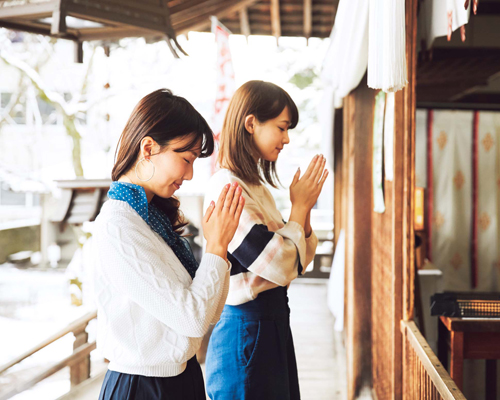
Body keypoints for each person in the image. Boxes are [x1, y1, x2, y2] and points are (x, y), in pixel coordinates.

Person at [93, 89, 244, 400]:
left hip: (180, 376)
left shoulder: (150, 216)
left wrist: (219, 247)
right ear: (148, 147)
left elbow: (208, 311)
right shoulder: (119, 225)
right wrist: (216, 245)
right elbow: (194, 319)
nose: (189, 174)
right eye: (186, 159)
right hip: (142, 386)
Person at [204, 80, 328, 400]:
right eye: (282, 128)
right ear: (251, 123)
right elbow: (282, 264)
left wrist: (305, 210)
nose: (286, 139)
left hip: (269, 322)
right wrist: (299, 207)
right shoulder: (227, 188)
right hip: (247, 328)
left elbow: (300, 255)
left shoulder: (254, 185)